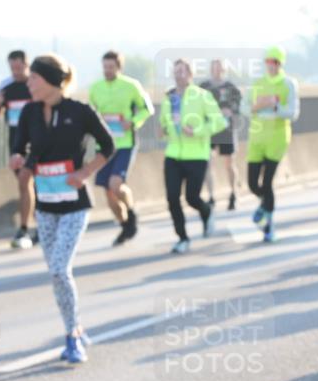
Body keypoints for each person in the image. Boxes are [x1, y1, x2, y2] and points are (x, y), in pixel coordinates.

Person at [12, 54, 114, 363]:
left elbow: (108, 145)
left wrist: (85, 173)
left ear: (52, 81)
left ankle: (72, 337)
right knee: (56, 275)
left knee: (59, 269)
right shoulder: (29, 112)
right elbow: (20, 147)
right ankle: (76, 326)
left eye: (34, 78)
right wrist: (18, 160)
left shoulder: (79, 111)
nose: (29, 83)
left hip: (74, 206)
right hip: (45, 206)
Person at [160, 59, 227, 253]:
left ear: (191, 74)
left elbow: (219, 122)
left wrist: (196, 131)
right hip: (173, 154)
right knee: (172, 198)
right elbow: (165, 122)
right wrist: (164, 130)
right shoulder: (169, 98)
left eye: (182, 71)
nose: (178, 75)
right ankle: (182, 238)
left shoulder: (203, 96)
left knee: (192, 197)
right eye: (176, 72)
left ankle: (206, 212)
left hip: (197, 155)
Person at [88, 50, 153, 246]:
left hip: (125, 143)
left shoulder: (131, 86)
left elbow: (147, 109)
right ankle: (125, 225)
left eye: (111, 67)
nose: (107, 70)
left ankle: (131, 211)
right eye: (105, 67)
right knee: (108, 192)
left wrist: (132, 122)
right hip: (104, 145)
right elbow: (90, 114)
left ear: (119, 67)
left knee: (116, 184)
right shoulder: (95, 88)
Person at [246, 45, 300, 243]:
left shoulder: (288, 84)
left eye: (275, 62)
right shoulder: (257, 83)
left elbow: (293, 113)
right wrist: (257, 106)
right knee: (253, 184)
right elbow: (244, 107)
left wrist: (275, 106)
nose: (271, 65)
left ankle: (268, 226)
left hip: (277, 138)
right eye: (268, 61)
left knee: (267, 182)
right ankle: (264, 205)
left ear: (281, 64)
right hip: (257, 138)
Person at [0, 50, 36, 248]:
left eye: (19, 67)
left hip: (37, 141)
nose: (16, 72)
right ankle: (25, 228)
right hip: (17, 143)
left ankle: (31, 226)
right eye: (12, 68)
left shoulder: (35, 84)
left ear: (27, 65)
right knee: (24, 183)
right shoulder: (5, 87)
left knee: (33, 183)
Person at [200, 59, 242, 210]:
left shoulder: (230, 87)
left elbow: (239, 105)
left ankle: (233, 193)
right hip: (209, 129)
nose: (217, 70)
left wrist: (231, 111)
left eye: (220, 67)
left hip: (226, 129)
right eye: (215, 67)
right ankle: (211, 196)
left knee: (229, 163)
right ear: (211, 69)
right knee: (207, 162)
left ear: (224, 70)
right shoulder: (204, 87)